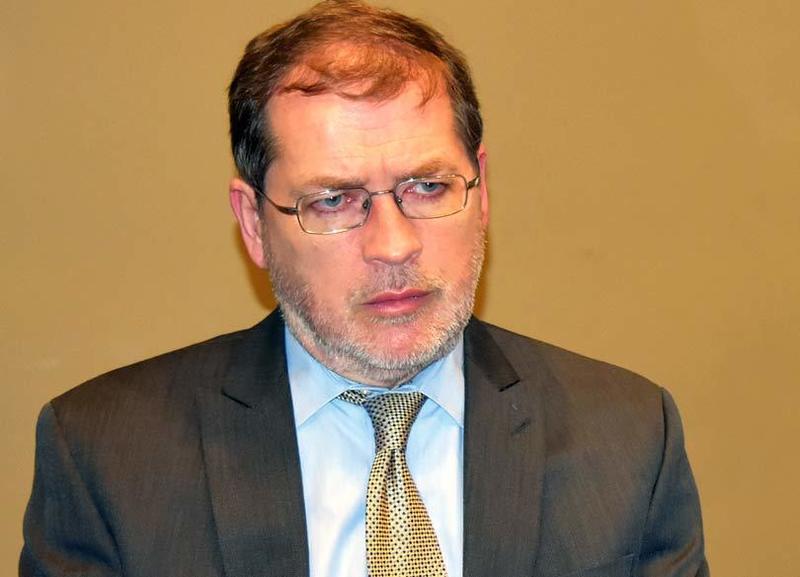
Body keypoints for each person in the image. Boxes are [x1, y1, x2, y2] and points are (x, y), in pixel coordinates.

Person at [20, 1, 709, 576]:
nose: (394, 244)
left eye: (428, 186)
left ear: (482, 193)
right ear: (254, 223)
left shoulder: (628, 436)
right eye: (333, 200)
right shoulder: (107, 459)